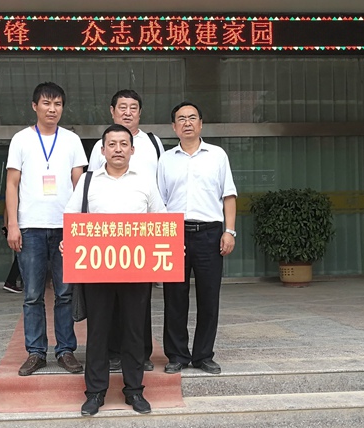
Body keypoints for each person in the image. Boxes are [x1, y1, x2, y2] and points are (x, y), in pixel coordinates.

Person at [65, 124, 167, 416]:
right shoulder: (88, 181)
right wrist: (67, 242)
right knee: (98, 332)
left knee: (134, 332)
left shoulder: (145, 181)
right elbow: (71, 217)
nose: (118, 149)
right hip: (97, 270)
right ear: (102, 150)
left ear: (132, 150)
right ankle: (95, 392)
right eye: (112, 144)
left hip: (137, 270)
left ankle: (134, 390)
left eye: (124, 144)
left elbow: (160, 220)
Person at [6, 82, 88, 376]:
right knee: (32, 294)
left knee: (65, 293)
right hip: (30, 227)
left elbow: (79, 183)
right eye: (46, 103)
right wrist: (12, 224)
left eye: (58, 104)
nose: (52, 109)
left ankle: (66, 351)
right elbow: (12, 184)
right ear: (34, 106)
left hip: (66, 227)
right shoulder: (21, 139)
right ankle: (36, 352)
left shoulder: (72, 140)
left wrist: (81, 224)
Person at [157, 101, 237, 375]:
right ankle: (177, 354)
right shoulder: (166, 159)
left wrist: (229, 231)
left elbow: (229, 195)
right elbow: (160, 201)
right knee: (174, 298)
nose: (187, 123)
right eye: (181, 119)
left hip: (210, 234)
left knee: (209, 297)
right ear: (174, 127)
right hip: (174, 233)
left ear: (201, 124)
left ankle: (203, 355)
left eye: (192, 118)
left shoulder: (217, 155)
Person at [88, 89, 165, 373]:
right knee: (107, 302)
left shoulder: (153, 143)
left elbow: (161, 188)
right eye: (122, 107)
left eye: (133, 107)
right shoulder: (101, 146)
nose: (128, 112)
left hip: (142, 235)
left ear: (140, 112)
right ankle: (112, 352)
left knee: (139, 301)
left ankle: (140, 354)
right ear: (112, 111)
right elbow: (90, 189)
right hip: (106, 235)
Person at [2, 202, 23, 293]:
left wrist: (6, 225)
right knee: (22, 255)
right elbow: (7, 208)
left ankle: (11, 281)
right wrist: (7, 226)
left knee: (21, 255)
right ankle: (10, 281)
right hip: (19, 228)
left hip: (16, 227)